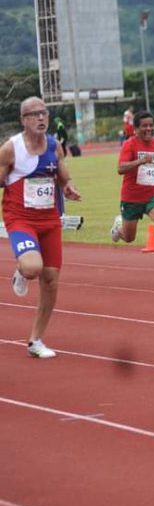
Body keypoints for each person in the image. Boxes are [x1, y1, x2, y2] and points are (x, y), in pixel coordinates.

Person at [1, 97, 82, 358]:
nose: (40, 118)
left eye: (43, 113)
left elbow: (62, 174)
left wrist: (67, 187)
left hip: (49, 220)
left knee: (50, 280)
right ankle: (22, 271)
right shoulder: (11, 149)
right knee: (33, 268)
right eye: (34, 114)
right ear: (23, 120)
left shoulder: (54, 145)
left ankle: (36, 340)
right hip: (20, 219)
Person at [110, 110, 154, 281]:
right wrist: (140, 161)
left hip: (152, 196)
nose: (149, 129)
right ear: (136, 129)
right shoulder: (130, 145)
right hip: (131, 198)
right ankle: (118, 228)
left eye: (151, 125)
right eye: (144, 126)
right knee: (129, 237)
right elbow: (120, 168)